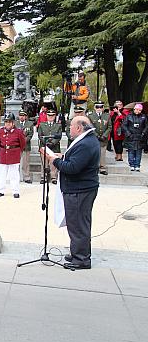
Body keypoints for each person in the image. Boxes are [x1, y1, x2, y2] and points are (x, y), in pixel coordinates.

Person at [41, 115, 100, 270]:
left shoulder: (86, 143)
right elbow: (73, 159)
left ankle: (81, 259)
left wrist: (54, 160)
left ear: (79, 128)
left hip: (80, 189)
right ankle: (77, 252)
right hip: (79, 188)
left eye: (71, 126)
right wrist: (60, 157)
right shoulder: (86, 140)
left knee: (78, 224)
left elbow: (73, 167)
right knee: (76, 223)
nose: (69, 129)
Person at [0, 113, 26, 198]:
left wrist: (17, 151)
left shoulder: (18, 132)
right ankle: (0, 190)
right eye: (6, 122)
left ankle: (15, 191)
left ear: (13, 123)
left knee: (14, 174)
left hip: (14, 154)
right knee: (2, 174)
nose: (7, 124)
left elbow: (22, 144)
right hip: (3, 154)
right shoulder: (0, 131)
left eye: (9, 122)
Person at [37, 109, 62, 184]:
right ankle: (43, 177)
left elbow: (59, 136)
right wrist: (46, 143)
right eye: (49, 115)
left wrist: (53, 143)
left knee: (53, 163)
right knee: (44, 162)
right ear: (47, 116)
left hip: (54, 146)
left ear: (55, 116)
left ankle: (53, 177)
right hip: (44, 146)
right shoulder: (42, 125)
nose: (51, 117)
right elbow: (40, 135)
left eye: (52, 116)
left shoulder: (58, 125)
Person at [122, 103, 148, 171]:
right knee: (131, 151)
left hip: (140, 137)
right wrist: (128, 133)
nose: (138, 111)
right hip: (131, 137)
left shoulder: (144, 117)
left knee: (139, 152)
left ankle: (137, 165)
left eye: (139, 110)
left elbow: (146, 126)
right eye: (136, 109)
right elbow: (124, 125)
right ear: (134, 109)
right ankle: (132, 165)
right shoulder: (128, 116)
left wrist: (143, 133)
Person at [89, 100, 112, 175]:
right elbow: (90, 127)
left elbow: (109, 127)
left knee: (102, 153)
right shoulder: (90, 116)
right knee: (94, 153)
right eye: (97, 107)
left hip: (103, 138)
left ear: (103, 108)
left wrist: (104, 135)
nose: (99, 108)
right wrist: (96, 135)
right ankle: (94, 168)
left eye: (101, 107)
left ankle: (102, 168)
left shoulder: (107, 116)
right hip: (94, 137)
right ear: (94, 107)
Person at [15, 110, 34, 183]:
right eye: (20, 115)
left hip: (26, 146)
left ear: (25, 116)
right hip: (17, 146)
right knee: (16, 163)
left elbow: (30, 134)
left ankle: (26, 177)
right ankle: (16, 177)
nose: (21, 117)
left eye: (23, 115)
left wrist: (23, 141)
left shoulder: (30, 124)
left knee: (26, 163)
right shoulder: (15, 124)